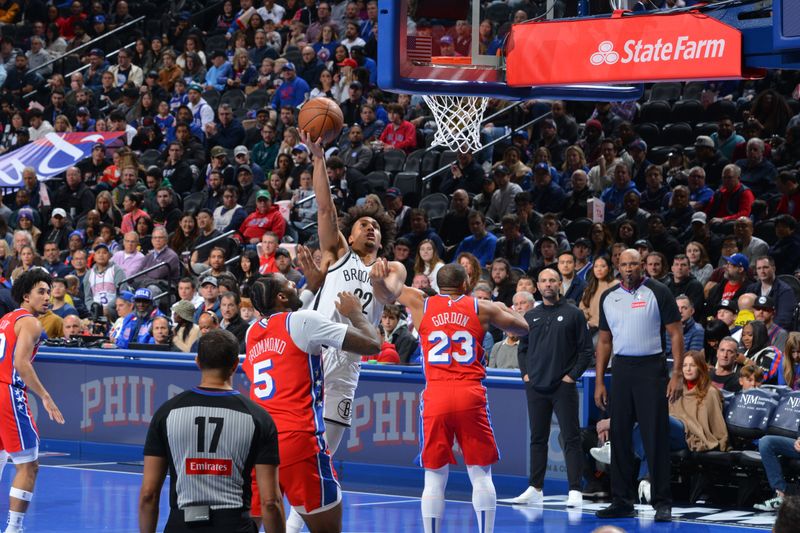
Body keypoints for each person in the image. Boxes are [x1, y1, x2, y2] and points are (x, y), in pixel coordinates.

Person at [370, 261, 528, 533]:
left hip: (437, 392)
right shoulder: (482, 307)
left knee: (434, 475)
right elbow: (522, 327)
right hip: (470, 392)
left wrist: (381, 274)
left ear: (437, 285)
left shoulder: (422, 303)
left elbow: (388, 291)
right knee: (480, 473)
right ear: (466, 284)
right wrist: (502, 308)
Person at [244, 276, 382, 533]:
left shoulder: (252, 332)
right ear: (281, 298)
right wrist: (355, 313)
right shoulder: (303, 320)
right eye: (287, 282)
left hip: (258, 441)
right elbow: (373, 344)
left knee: (249, 525)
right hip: (298, 440)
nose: (293, 283)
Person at [301, 131, 403, 456]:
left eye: (375, 225)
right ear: (350, 234)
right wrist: (318, 158)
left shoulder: (392, 268)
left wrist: (377, 282)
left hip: (350, 356)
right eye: (363, 225)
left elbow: (388, 297)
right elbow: (324, 209)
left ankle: (308, 504)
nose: (370, 228)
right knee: (295, 436)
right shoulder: (339, 253)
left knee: (325, 451)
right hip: (315, 348)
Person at [138, 329, 285, 533]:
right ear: (235, 365)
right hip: (234, 525)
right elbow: (270, 501)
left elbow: (148, 495)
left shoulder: (167, 413)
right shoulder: (258, 417)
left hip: (182, 524)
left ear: (198, 361)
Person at [594, 249, 684, 522]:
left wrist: (677, 373)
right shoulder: (609, 297)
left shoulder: (658, 291)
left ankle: (662, 502)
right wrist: (600, 381)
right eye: (624, 264)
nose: (629, 268)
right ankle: (621, 500)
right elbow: (605, 341)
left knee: (654, 436)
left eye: (634, 264)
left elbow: (676, 333)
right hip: (621, 369)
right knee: (619, 435)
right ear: (617, 267)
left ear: (642, 266)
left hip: (650, 368)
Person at [512, 268, 592, 507]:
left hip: (562, 387)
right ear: (537, 286)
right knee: (538, 438)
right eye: (544, 281)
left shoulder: (574, 314)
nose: (548, 284)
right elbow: (522, 348)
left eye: (552, 281)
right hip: (536, 386)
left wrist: (571, 377)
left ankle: (575, 490)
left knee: (570, 437)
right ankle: (535, 488)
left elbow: (586, 350)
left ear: (560, 284)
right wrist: (526, 374)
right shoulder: (531, 316)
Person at [0, 269, 65, 533]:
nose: (47, 296)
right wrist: (46, 397)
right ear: (26, 295)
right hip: (8, 392)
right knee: (29, 465)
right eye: (41, 291)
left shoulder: (6, 318)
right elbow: (20, 363)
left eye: (49, 291)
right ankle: (14, 529)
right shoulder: (31, 322)